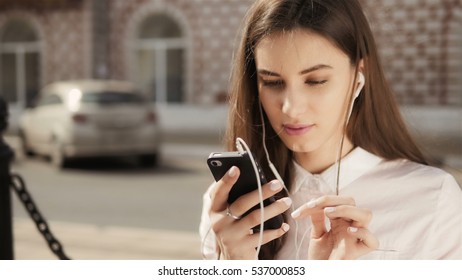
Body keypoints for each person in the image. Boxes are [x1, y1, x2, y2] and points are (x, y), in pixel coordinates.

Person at [199, 0, 462, 260]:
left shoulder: (433, 199)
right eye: (272, 82)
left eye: (316, 81)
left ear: (359, 75)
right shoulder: (228, 209)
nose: (291, 108)